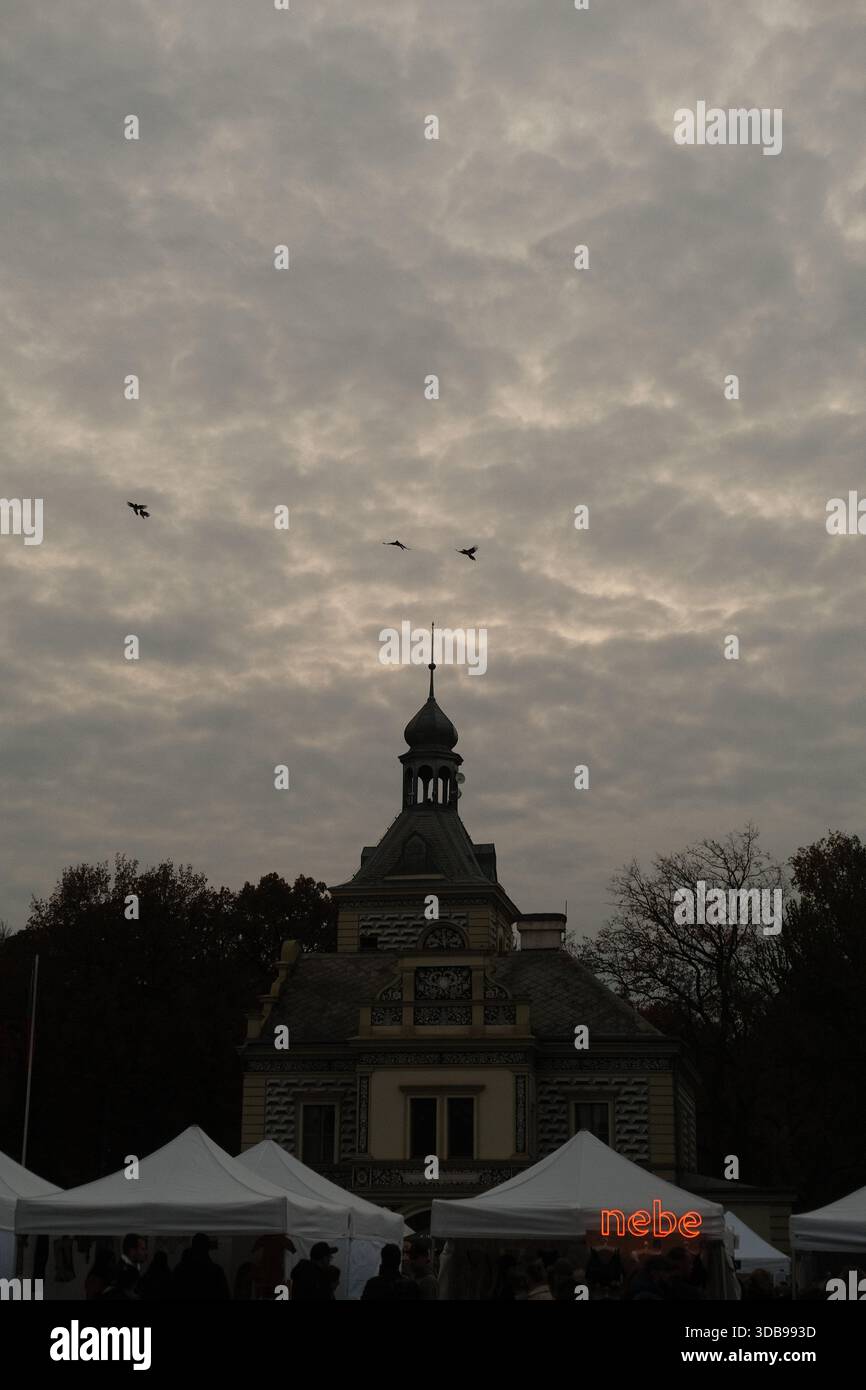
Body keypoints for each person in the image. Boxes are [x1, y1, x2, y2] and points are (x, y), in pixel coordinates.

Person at [171, 1233, 230, 1301]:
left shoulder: (180, 1269)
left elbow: (173, 1292)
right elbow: (224, 1294)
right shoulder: (216, 1271)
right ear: (208, 1247)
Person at [251, 1233, 296, 1300]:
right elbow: (294, 1252)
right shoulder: (282, 1239)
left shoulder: (263, 1239)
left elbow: (255, 1255)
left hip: (269, 1277)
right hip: (274, 1277)